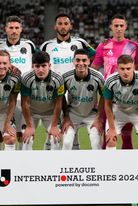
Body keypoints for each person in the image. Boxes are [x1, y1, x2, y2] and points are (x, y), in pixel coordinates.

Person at [91, 14, 138, 150]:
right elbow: (94, 68)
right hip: (108, 95)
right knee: (108, 137)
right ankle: (107, 168)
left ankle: (127, 169)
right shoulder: (104, 46)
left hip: (128, 95)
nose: (118, 28)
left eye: (121, 26)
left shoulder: (133, 46)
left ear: (125, 27)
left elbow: (137, 66)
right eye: (116, 26)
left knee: (127, 136)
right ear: (111, 27)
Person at [40, 13, 96, 150]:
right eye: (60, 23)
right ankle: (49, 150)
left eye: (66, 24)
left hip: (73, 89)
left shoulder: (80, 43)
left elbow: (96, 55)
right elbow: (38, 62)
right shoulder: (47, 45)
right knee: (55, 126)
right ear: (55, 26)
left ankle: (72, 153)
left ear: (70, 26)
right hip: (53, 91)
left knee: (71, 125)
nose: (63, 26)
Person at [0, 16, 36, 150]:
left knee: (23, 133)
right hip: (2, 95)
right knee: (0, 133)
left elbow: (39, 61)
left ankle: (22, 167)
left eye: (17, 28)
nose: (14, 31)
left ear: (21, 29)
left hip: (24, 95)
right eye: (11, 28)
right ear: (6, 29)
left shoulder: (29, 45)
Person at [104, 54, 138, 150]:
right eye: (122, 69)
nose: (125, 72)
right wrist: (112, 129)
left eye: (128, 68)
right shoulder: (110, 81)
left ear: (134, 67)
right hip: (118, 112)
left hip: (137, 112)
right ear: (117, 68)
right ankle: (110, 165)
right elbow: (107, 105)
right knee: (111, 139)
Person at [21, 51, 64, 150]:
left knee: (55, 139)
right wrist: (29, 126)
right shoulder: (26, 78)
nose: (40, 70)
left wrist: (54, 126)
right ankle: (25, 165)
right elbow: (25, 103)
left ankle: (52, 163)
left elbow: (58, 103)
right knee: (27, 139)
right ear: (32, 66)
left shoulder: (58, 78)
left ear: (49, 65)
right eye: (37, 66)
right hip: (31, 113)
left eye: (44, 66)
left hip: (50, 113)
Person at [61, 49, 104, 150]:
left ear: (89, 61)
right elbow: (60, 97)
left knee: (96, 142)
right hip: (72, 114)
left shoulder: (98, 77)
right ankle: (64, 165)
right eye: (78, 60)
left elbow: (104, 96)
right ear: (73, 61)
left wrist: (98, 118)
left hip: (91, 114)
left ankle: (99, 165)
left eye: (84, 60)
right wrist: (66, 117)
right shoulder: (66, 77)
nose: (81, 63)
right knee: (67, 143)